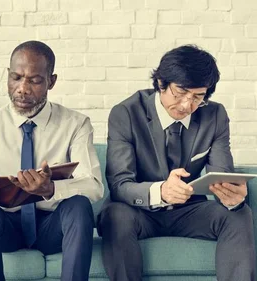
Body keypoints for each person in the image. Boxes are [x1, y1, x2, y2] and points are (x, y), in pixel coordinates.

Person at [98, 44, 256, 281]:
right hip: (139, 211)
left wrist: (231, 195)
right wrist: (161, 191)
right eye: (180, 92)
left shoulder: (215, 116)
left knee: (239, 214)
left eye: (197, 97)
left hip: (189, 211)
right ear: (161, 83)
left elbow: (221, 173)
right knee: (114, 215)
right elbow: (120, 184)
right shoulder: (126, 113)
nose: (186, 105)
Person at [0, 40, 104, 281]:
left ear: (51, 81)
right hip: (6, 225)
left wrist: (51, 189)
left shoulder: (76, 124)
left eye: (35, 80)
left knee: (79, 207)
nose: (23, 88)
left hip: (52, 226)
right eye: (16, 77)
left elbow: (94, 186)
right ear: (7, 75)